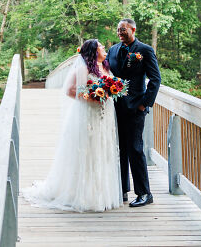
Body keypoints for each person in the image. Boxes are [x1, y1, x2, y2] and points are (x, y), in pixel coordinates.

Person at [21, 39, 122, 212]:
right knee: (88, 151)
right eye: (101, 47)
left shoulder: (106, 67)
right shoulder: (83, 68)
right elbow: (70, 90)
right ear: (93, 51)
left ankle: (101, 193)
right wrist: (93, 96)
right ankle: (84, 195)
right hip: (89, 114)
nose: (104, 48)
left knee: (101, 150)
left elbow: (110, 86)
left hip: (105, 117)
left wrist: (110, 91)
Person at [106, 18, 161, 207]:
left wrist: (144, 104)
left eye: (123, 30)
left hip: (136, 107)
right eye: (118, 30)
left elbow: (155, 79)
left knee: (136, 149)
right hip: (115, 107)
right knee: (119, 149)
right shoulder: (112, 50)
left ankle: (145, 193)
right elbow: (105, 72)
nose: (120, 33)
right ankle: (121, 190)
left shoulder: (144, 50)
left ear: (133, 29)